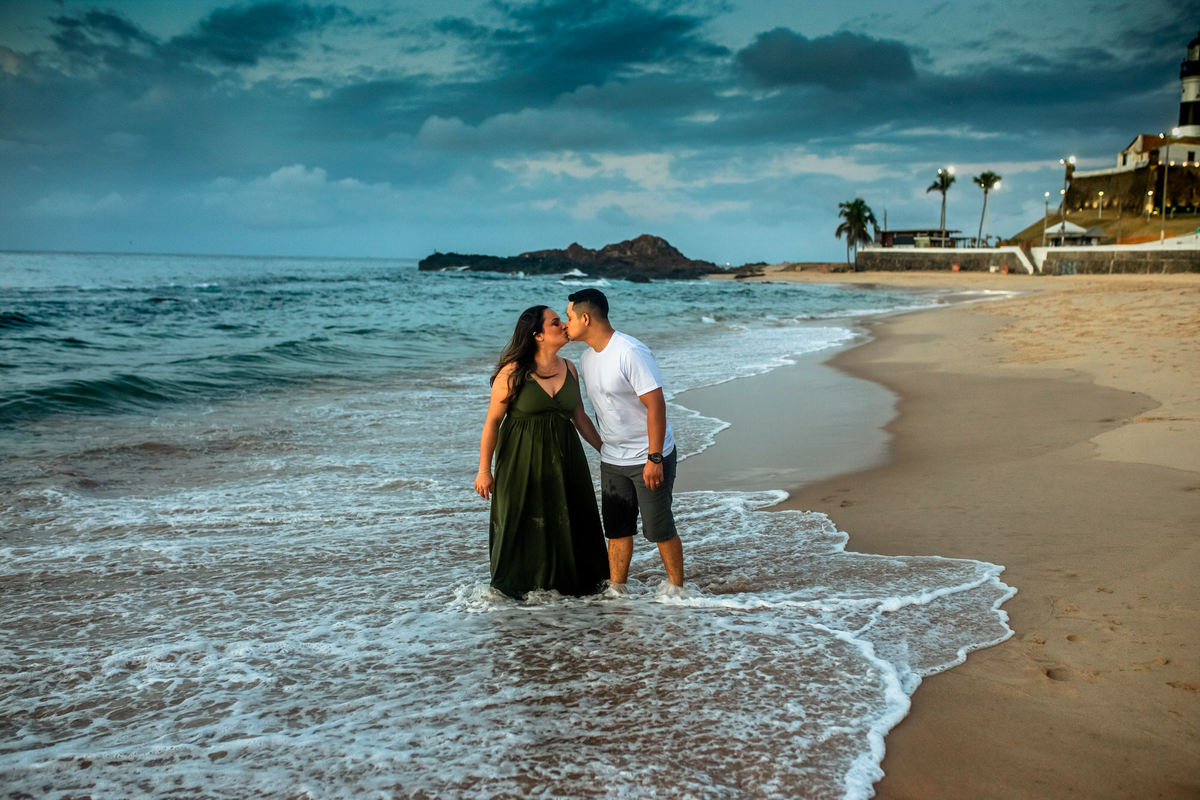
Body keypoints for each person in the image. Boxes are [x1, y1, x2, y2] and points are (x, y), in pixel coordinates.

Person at [474, 305, 610, 598]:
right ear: (537, 335)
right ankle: (515, 594)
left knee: (571, 517)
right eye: (555, 322)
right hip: (521, 459)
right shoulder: (512, 373)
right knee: (520, 520)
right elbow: (492, 423)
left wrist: (605, 450)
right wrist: (484, 469)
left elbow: (580, 418)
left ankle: (574, 589)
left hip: (566, 457)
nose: (564, 326)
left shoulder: (570, 367)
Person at [565, 288, 684, 589]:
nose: (566, 324)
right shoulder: (586, 360)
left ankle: (678, 591)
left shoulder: (630, 351)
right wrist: (604, 450)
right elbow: (589, 413)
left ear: (586, 318)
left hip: (649, 455)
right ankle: (617, 591)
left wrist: (654, 457)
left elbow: (656, 404)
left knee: (659, 528)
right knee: (617, 531)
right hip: (613, 461)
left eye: (568, 317)